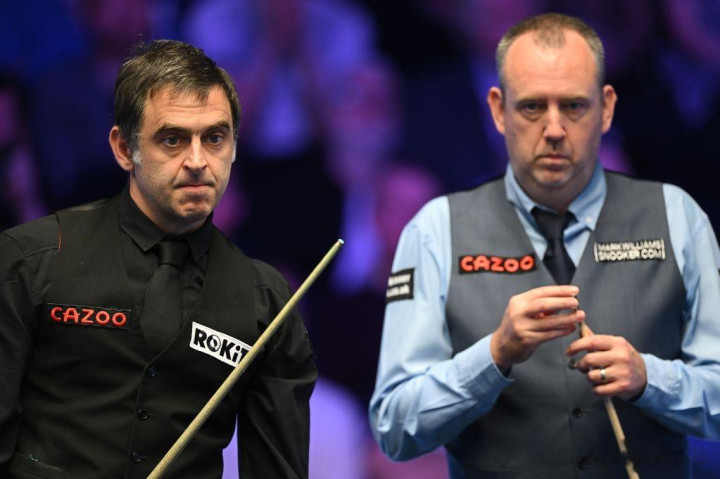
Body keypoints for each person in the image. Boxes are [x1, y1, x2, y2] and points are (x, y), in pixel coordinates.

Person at [369, 13, 720, 478]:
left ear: (606, 108)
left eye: (573, 106)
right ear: (498, 110)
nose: (553, 129)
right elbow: (394, 426)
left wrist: (652, 378)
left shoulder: (677, 217)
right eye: (532, 106)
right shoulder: (435, 230)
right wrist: (493, 355)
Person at [0, 40, 316, 478]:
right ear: (123, 148)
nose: (197, 161)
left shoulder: (266, 300)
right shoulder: (29, 260)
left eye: (215, 138)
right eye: (172, 139)